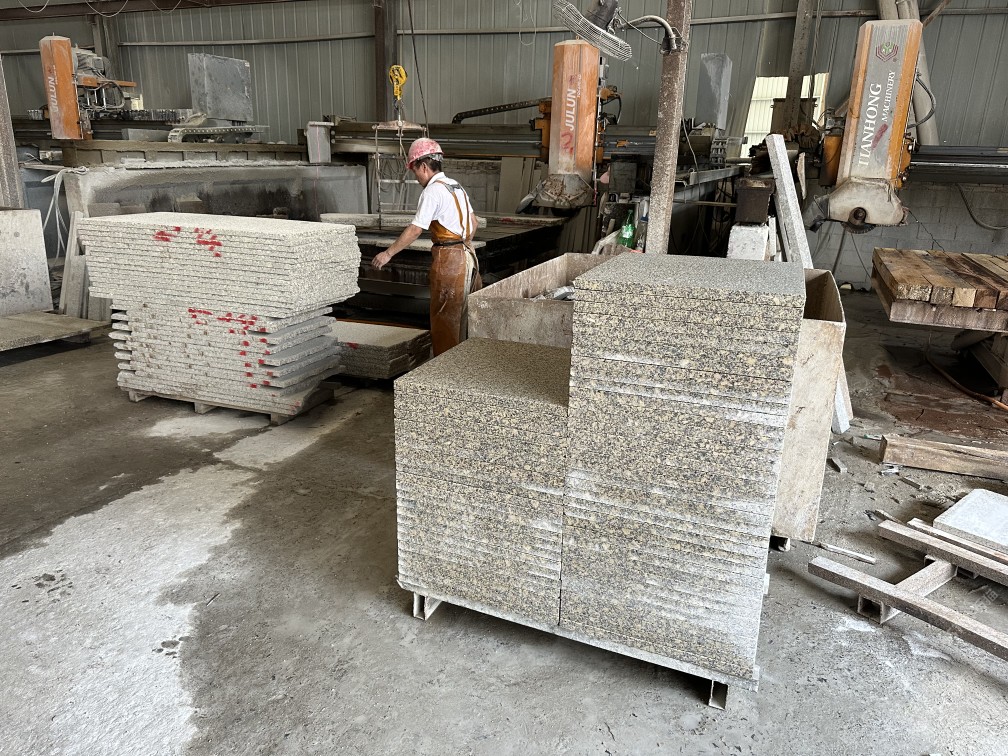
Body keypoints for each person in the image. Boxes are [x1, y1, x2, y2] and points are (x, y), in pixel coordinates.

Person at [371, 138, 481, 356]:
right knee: (464, 319)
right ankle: (464, 365)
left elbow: (415, 229)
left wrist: (388, 253)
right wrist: (462, 244)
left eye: (415, 171)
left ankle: (444, 370)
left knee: (445, 320)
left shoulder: (432, 191)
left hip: (450, 262)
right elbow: (474, 222)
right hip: (469, 257)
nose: (416, 177)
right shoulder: (456, 186)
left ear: (423, 166)